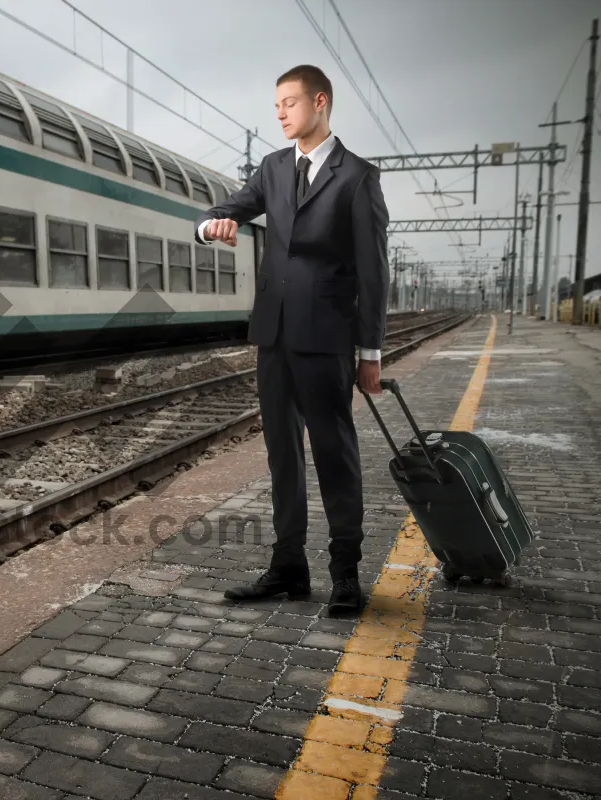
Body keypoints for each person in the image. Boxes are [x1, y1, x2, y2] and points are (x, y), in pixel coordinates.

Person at [195, 64, 389, 613]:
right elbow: (228, 207)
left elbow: (374, 273)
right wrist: (211, 224)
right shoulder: (274, 167)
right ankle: (288, 567)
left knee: (334, 453)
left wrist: (369, 352)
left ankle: (346, 572)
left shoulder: (357, 177)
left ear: (319, 102)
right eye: (276, 104)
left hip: (327, 338)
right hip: (274, 335)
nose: (279, 113)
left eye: (288, 102)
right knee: (283, 454)